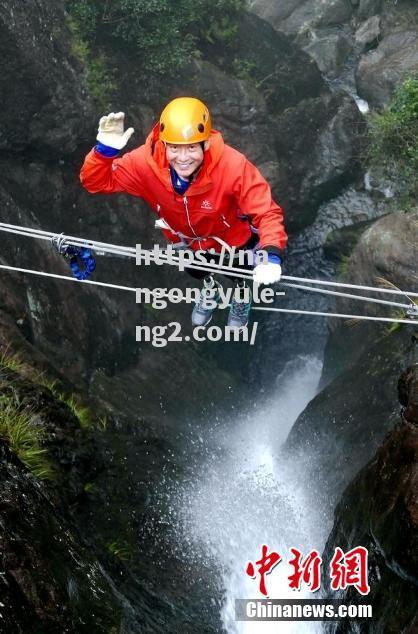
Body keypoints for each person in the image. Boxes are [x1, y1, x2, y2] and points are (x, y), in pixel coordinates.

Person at [80, 97, 288, 329]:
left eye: (191, 147)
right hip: (189, 243)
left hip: (233, 241)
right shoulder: (144, 164)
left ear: (206, 144)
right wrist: (104, 152)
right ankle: (211, 288)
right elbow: (95, 182)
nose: (183, 158)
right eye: (174, 148)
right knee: (197, 271)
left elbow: (266, 211)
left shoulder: (232, 166)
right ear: (163, 143)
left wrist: (270, 253)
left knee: (240, 274)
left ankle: (241, 296)